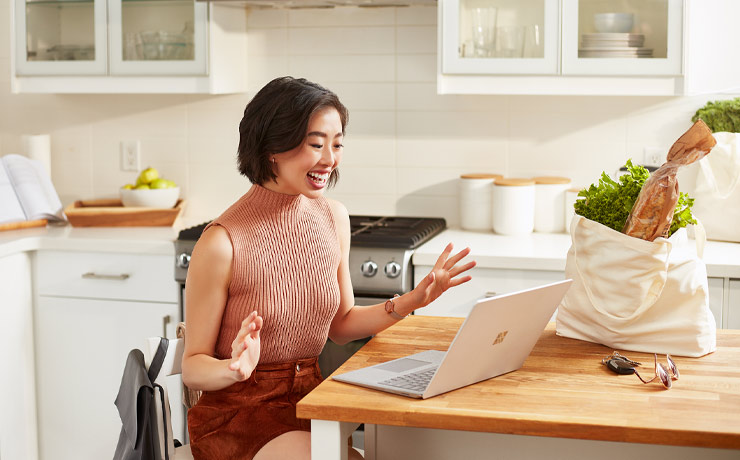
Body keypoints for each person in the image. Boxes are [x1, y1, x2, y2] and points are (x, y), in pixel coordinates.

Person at [181, 76, 476, 460]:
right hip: (239, 414)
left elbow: (341, 325)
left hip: (314, 402)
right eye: (316, 144)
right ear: (273, 147)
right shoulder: (221, 241)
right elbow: (193, 366)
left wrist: (412, 300)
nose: (330, 159)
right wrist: (234, 370)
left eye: (336, 145)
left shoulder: (332, 218)